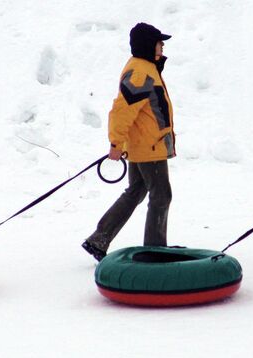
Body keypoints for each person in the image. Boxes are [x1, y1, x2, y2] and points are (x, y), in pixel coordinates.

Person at [82, 23, 175, 261]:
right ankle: (154, 251)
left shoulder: (145, 68)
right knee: (161, 195)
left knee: (136, 191)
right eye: (159, 42)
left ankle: (99, 238)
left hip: (146, 144)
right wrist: (116, 144)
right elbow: (122, 111)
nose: (162, 46)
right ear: (147, 45)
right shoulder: (141, 72)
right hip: (149, 147)